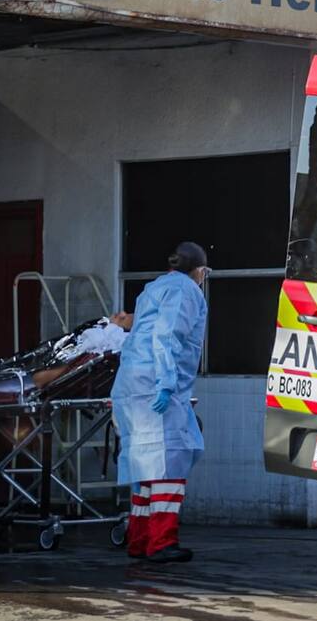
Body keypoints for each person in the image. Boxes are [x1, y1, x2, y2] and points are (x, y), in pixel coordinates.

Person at [111, 242, 209, 564]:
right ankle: (162, 542)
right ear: (199, 270)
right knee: (170, 462)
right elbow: (167, 337)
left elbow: (146, 330)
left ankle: (139, 540)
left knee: (146, 466)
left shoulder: (153, 288)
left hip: (132, 385)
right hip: (156, 384)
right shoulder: (186, 290)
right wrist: (166, 383)